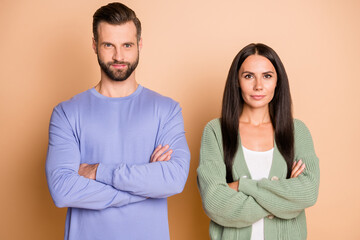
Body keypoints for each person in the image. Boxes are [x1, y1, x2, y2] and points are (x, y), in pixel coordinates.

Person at [45, 2, 190, 240]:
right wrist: (145, 190)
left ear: (140, 45)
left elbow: (173, 180)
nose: (118, 56)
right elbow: (63, 190)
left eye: (127, 45)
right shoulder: (66, 113)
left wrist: (99, 171)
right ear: (94, 45)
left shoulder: (167, 110)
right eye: (108, 45)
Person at [197, 43, 319, 240]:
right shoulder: (216, 131)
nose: (258, 86)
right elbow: (214, 202)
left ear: (278, 81)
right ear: (237, 81)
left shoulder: (297, 131)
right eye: (248, 76)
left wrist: (242, 186)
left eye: (267, 76)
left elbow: (307, 193)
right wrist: (282, 199)